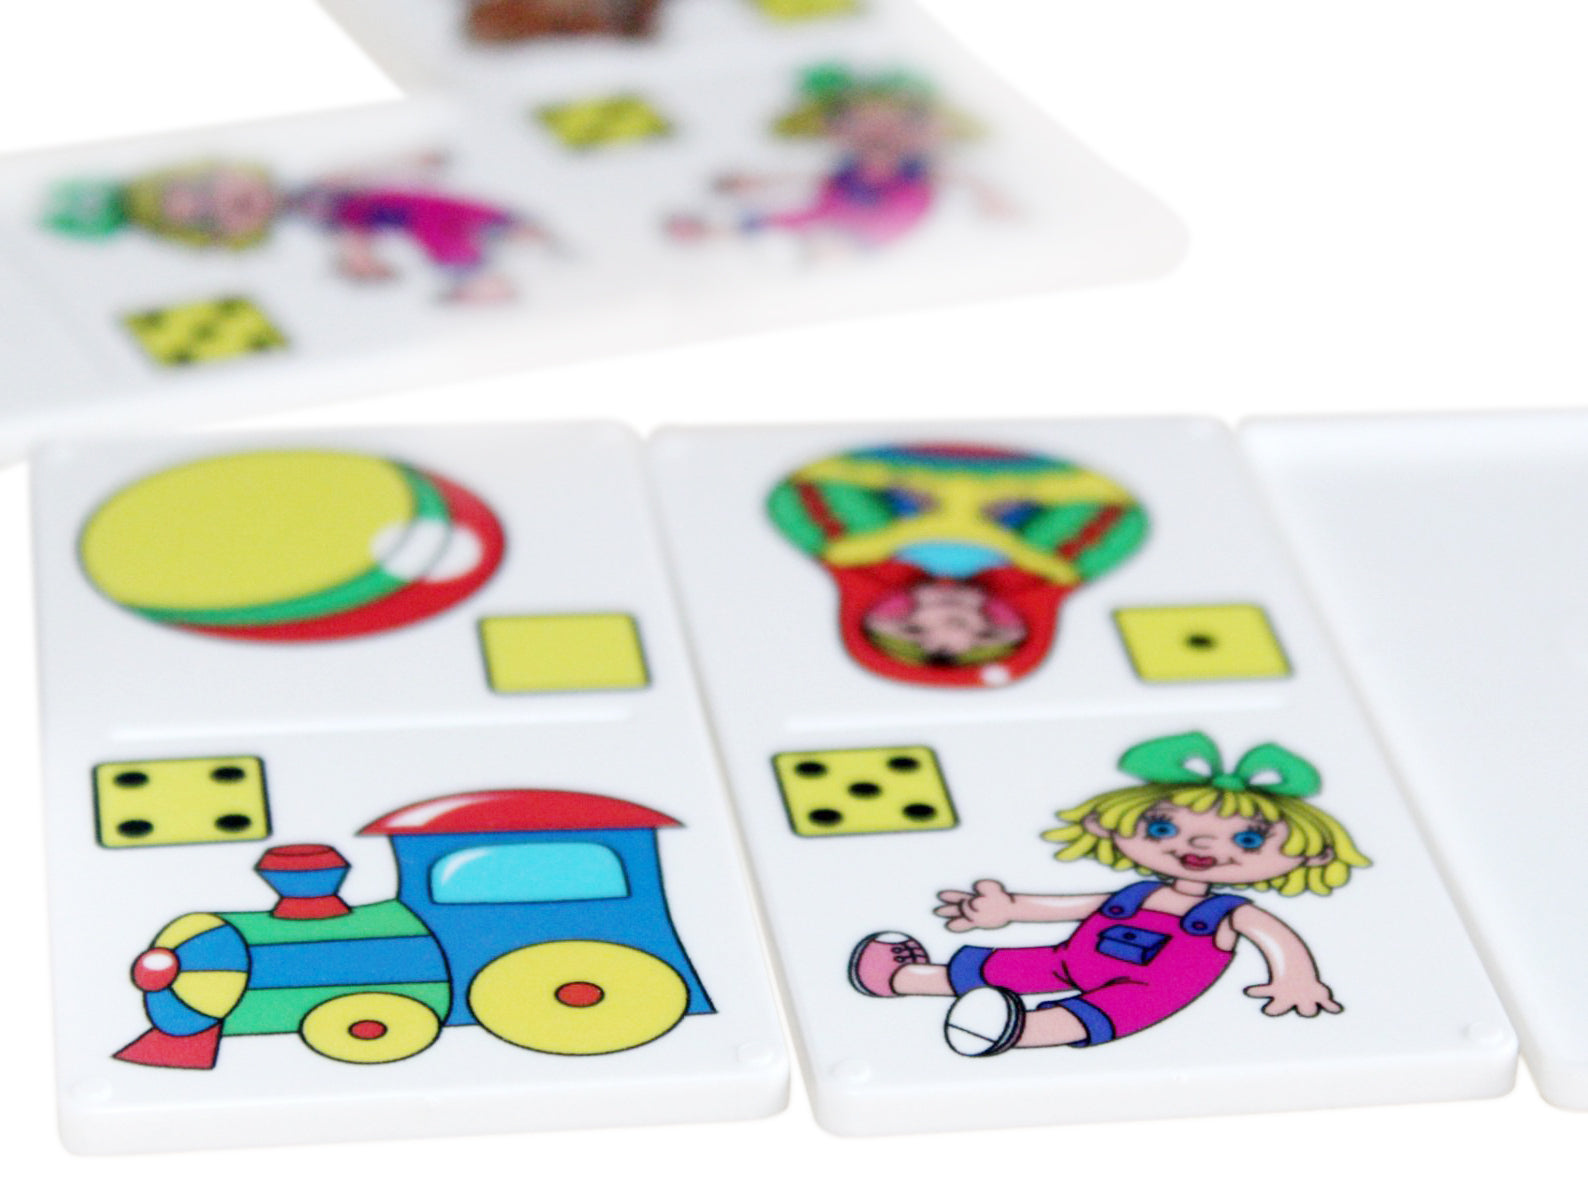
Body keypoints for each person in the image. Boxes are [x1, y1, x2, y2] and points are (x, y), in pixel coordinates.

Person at [848, 732, 1370, 1055]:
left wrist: (1296, 979)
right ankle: (900, 979)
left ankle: (1008, 1032)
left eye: (1248, 840)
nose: (1201, 846)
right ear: (1106, 824)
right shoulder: (1135, 892)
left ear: (1312, 854)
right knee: (1008, 966)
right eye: (1163, 829)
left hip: (1149, 990)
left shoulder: (1230, 912)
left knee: (1089, 1016)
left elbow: (1277, 939)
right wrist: (1009, 909)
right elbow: (1071, 907)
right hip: (1069, 960)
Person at [767, 442, 1147, 687]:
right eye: (985, 633)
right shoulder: (1060, 563)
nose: (946, 621)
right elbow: (1115, 508)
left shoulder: (842, 545)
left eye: (911, 627)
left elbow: (809, 485)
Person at [44, 156, 552, 304]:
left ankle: (507, 242)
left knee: (450, 219)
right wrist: (359, 258)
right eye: (206, 216)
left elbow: (352, 181)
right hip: (398, 219)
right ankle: (487, 272)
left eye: (206, 187)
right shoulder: (314, 217)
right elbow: (350, 230)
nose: (222, 203)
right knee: (443, 234)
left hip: (410, 205)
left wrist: (410, 160)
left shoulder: (313, 188)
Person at [667, 64, 1009, 257]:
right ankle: (711, 230)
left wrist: (989, 198)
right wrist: (757, 182)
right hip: (838, 214)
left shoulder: (914, 172)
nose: (877, 131)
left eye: (895, 122)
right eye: (859, 122)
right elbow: (808, 183)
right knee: (786, 220)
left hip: (875, 225)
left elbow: (959, 181)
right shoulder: (846, 171)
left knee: (807, 229)